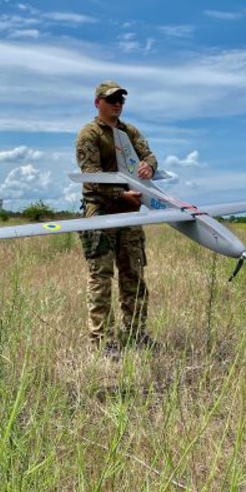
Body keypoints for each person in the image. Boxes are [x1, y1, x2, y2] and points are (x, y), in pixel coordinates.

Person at [76, 81, 158, 357]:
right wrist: (121, 195)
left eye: (121, 100)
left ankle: (136, 334)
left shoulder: (129, 131)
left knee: (134, 273)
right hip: (100, 210)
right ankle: (103, 342)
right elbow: (91, 174)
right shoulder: (88, 134)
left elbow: (148, 154)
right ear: (97, 102)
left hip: (130, 212)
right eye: (111, 100)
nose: (117, 104)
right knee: (101, 277)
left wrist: (149, 165)